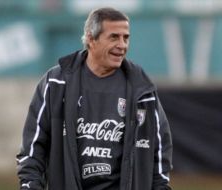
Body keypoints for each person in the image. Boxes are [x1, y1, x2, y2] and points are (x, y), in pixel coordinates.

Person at [16, 7, 173, 190]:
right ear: (91, 39)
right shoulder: (56, 83)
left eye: (126, 37)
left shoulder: (142, 89)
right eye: (114, 37)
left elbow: (160, 150)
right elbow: (33, 148)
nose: (122, 45)